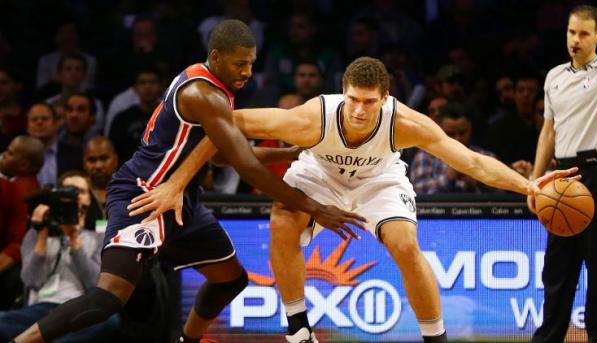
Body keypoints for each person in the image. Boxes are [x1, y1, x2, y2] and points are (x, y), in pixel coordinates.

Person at [130, 57, 577, 343]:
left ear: (386, 98)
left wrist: (530, 188)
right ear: (342, 93)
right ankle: (298, 327)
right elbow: (224, 124)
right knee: (282, 217)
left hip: (378, 180)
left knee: (404, 244)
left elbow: (472, 164)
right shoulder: (313, 118)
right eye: (352, 100)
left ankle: (435, 338)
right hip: (319, 173)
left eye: (368, 102)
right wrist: (175, 183)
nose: (359, 110)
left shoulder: (406, 123)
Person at [12, 19, 364, 343]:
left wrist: (286, 155)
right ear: (215, 56)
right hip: (146, 194)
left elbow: (224, 155)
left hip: (183, 198)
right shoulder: (203, 95)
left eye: (252, 62)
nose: (247, 71)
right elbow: (247, 168)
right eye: (240, 63)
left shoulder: (219, 87)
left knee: (231, 279)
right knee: (109, 298)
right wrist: (317, 208)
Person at [529, 5, 597, 342]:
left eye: (583, 34)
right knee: (557, 271)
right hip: (561, 179)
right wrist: (533, 182)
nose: (575, 40)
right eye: (571, 32)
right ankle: (548, 338)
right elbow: (548, 132)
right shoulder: (553, 77)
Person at [0, 171, 119, 342]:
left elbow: (95, 285)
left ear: (89, 199)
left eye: (81, 191)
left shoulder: (98, 238)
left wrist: (74, 239)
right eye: (69, 190)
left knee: (110, 322)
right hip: (38, 313)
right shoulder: (36, 234)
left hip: (77, 310)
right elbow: (32, 281)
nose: (75, 196)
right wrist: (41, 234)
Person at [0, 135, 44, 309]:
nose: (3, 155)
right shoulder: (30, 187)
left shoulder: (16, 190)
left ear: (24, 164)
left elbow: (18, 244)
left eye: (10, 153)